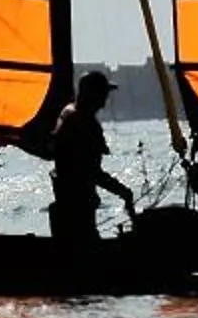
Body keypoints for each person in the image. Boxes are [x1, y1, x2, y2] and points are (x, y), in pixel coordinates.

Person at [45, 70, 136, 247]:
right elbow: (92, 172)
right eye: (103, 93)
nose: (105, 100)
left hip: (65, 208)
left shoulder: (68, 113)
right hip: (77, 212)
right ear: (93, 95)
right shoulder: (85, 124)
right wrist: (123, 191)